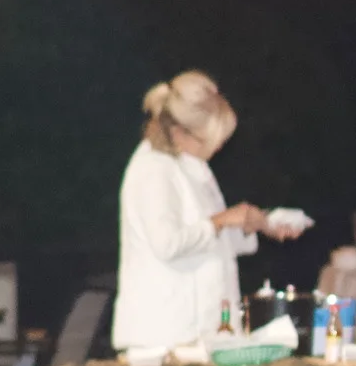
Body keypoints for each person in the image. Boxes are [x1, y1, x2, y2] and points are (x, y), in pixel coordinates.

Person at [113, 71, 296, 351]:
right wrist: (222, 220)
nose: (219, 147)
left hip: (201, 332)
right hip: (163, 337)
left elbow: (210, 240)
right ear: (178, 133)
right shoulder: (153, 170)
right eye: (210, 139)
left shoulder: (193, 166)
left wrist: (253, 225)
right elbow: (168, 243)